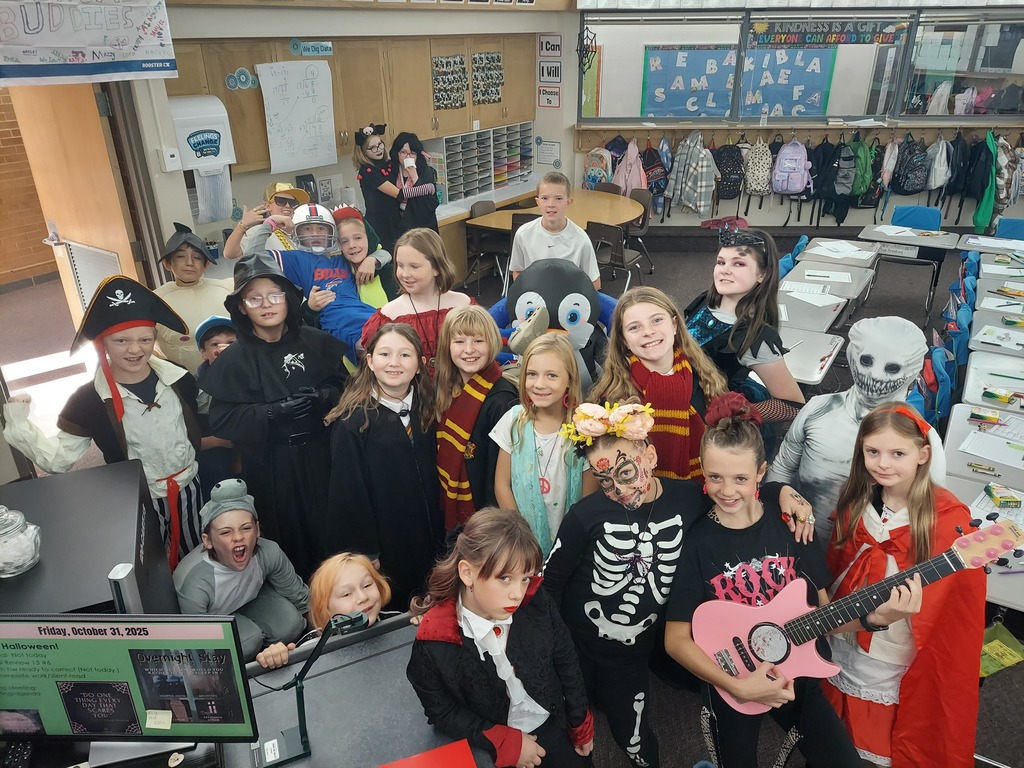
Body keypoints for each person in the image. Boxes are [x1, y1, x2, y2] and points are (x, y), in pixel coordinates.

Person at [547, 399, 814, 768]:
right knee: (571, 720)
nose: (619, 491)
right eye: (603, 479)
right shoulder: (584, 515)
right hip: (576, 641)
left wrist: (780, 491)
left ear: (650, 456)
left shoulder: (688, 498)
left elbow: (733, 492)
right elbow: (551, 582)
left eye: (625, 474)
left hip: (632, 653)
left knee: (633, 734)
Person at [664, 393, 874, 768]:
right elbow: (676, 639)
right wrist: (736, 685)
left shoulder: (791, 527)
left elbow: (826, 613)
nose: (727, 491)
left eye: (740, 478)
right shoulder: (696, 543)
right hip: (733, 678)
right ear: (703, 472)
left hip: (798, 668)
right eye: (715, 477)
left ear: (762, 473)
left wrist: (875, 618)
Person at [824, 404, 987, 768]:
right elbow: (837, 562)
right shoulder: (856, 499)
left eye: (898, 453)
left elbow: (955, 609)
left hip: (897, 647)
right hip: (846, 628)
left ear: (922, 454)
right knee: (835, 738)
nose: (883, 464)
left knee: (884, 745)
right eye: (873, 452)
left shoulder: (946, 518)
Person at [2, 276, 203, 569]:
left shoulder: (179, 378)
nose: (135, 350)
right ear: (102, 343)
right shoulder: (88, 400)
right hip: (135, 498)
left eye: (145, 339)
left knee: (198, 556)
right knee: (151, 569)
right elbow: (58, 461)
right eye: (121, 340)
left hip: (189, 488)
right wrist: (19, 422)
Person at [406, 507, 594, 768]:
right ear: (467, 572)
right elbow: (441, 710)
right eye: (505, 578)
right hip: (490, 737)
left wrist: (579, 720)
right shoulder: (435, 641)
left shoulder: (535, 601)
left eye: (525, 578)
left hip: (551, 718)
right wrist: (503, 741)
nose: (518, 593)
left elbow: (565, 657)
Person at [200, 253, 348, 581]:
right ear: (241, 307)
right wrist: (270, 412)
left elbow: (344, 387)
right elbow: (222, 420)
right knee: (286, 535)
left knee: (335, 524)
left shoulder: (315, 341)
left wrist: (323, 397)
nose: (266, 304)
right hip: (272, 463)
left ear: (289, 299)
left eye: (274, 295)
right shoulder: (234, 359)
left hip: (324, 453)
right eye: (254, 298)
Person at [766, 317, 930, 542]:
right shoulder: (818, 408)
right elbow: (782, 469)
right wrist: (775, 520)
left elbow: (923, 512)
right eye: (866, 361)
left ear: (913, 368)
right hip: (797, 540)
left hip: (861, 556)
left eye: (891, 368)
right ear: (853, 356)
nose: (875, 375)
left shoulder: (919, 436)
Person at [327, 323, 443, 609]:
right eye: (385, 354)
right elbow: (349, 494)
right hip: (389, 538)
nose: (394, 363)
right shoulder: (354, 423)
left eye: (405, 355)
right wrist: (366, 551)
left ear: (418, 364)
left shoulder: (431, 408)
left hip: (436, 533)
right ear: (369, 361)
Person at [591, 286, 728, 481]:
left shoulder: (706, 378)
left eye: (656, 320)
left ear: (674, 325)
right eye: (634, 327)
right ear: (623, 340)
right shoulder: (613, 398)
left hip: (708, 490)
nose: (648, 332)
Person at [173, 479, 309, 661]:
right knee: (247, 642)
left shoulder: (269, 552)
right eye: (225, 532)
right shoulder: (195, 584)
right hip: (215, 620)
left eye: (246, 528)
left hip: (251, 600)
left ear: (257, 531)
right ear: (207, 541)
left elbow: (301, 599)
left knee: (291, 624)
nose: (238, 537)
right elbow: (201, 647)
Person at [490, 333, 597, 556]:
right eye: (532, 374)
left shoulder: (585, 428)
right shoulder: (513, 421)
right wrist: (521, 537)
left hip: (571, 544)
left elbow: (589, 500)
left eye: (551, 375)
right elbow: (502, 484)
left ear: (570, 379)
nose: (539, 384)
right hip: (523, 544)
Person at [684, 227, 805, 417]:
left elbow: (791, 405)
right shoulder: (704, 300)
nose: (725, 270)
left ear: (762, 275)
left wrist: (732, 413)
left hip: (700, 421)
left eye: (738, 264)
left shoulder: (755, 337)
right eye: (721, 262)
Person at [254, 203, 392, 365]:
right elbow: (253, 257)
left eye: (321, 228)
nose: (315, 234)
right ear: (296, 231)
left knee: (406, 343)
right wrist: (271, 222)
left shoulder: (342, 258)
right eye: (307, 229)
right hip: (340, 322)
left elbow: (383, 251)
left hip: (371, 315)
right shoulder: (294, 259)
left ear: (332, 231)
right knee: (384, 353)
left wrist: (373, 259)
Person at [434, 305, 518, 529]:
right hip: (446, 503)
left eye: (478, 341)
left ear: (492, 343)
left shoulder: (503, 400)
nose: (469, 350)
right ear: (447, 346)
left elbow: (501, 476)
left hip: (483, 512)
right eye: (459, 342)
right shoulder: (444, 389)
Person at [255, 552, 400, 669]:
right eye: (346, 594)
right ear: (326, 608)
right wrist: (275, 657)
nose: (362, 597)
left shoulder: (400, 625)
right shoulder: (310, 647)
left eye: (367, 585)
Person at [361, 227, 472, 375]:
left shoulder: (462, 304)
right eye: (400, 265)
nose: (405, 274)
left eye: (414, 266)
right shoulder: (390, 315)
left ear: (436, 268)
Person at [154, 223, 232, 375]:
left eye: (197, 257)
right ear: (167, 263)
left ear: (206, 264)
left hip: (233, 375)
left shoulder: (228, 288)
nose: (189, 262)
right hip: (185, 384)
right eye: (181, 256)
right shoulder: (155, 299)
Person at [508, 171, 601, 290]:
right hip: (535, 301)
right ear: (538, 202)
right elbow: (518, 271)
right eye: (545, 198)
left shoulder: (581, 240)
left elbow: (595, 283)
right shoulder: (523, 234)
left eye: (558, 199)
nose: (551, 204)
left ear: (568, 202)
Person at [193, 315, 239, 497]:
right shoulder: (194, 388)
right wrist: (218, 441)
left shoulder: (254, 377)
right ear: (203, 352)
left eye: (231, 342)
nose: (222, 347)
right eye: (214, 344)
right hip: (213, 456)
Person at [222, 182, 310, 260]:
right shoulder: (259, 231)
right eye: (281, 201)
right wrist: (242, 225)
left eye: (293, 203)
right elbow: (230, 253)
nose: (287, 205)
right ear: (268, 206)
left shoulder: (300, 231)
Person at [354, 123, 401, 252]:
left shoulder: (389, 164)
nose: (379, 149)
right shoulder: (367, 171)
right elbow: (398, 194)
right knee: (387, 260)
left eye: (380, 144)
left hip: (395, 219)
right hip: (380, 224)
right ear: (363, 152)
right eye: (372, 148)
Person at [391, 131, 440, 236]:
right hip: (401, 225)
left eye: (412, 153)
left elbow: (430, 204)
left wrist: (414, 176)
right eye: (403, 152)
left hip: (423, 227)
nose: (408, 157)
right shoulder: (393, 171)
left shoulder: (426, 171)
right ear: (397, 153)